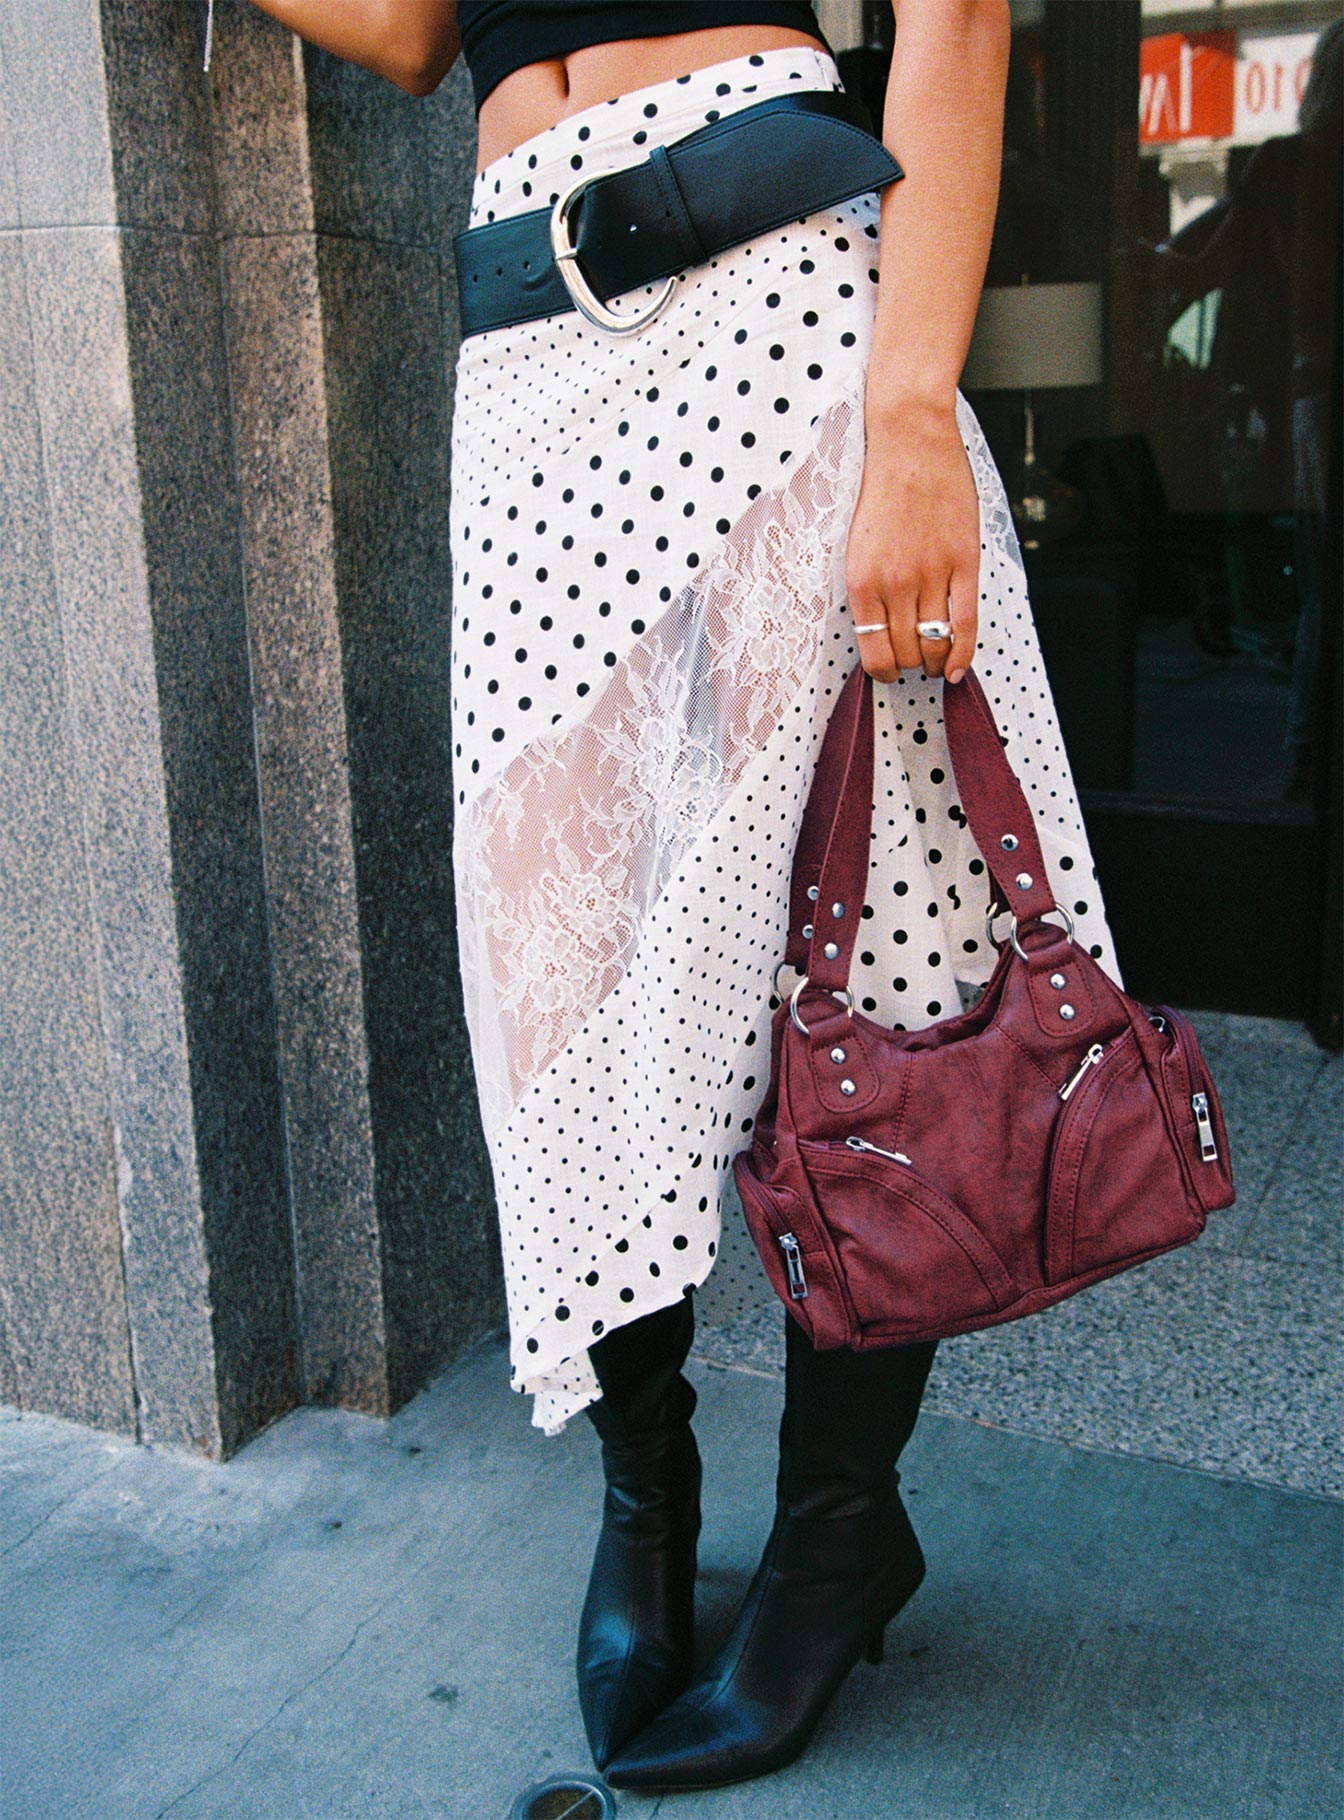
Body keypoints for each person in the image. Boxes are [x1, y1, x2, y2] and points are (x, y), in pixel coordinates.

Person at [237, 0, 1121, 1792]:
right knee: (556, 959)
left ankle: (834, 1537)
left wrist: (916, 413)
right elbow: (414, 31)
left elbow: (956, 16)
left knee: (894, 926)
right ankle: (646, 1497)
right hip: (529, 351)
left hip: (780, 292)